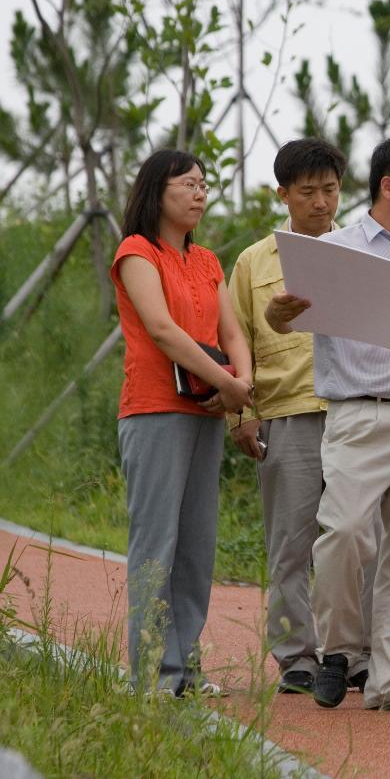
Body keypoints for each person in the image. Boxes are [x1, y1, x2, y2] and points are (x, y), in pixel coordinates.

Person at [265, 134, 390, 713]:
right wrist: (279, 315)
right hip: (358, 414)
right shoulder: (337, 250)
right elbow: (287, 319)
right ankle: (337, 650)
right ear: (389, 186)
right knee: (345, 534)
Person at [227, 138, 375, 696]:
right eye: (307, 192)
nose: (321, 203)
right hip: (287, 414)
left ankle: (357, 653)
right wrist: (241, 412)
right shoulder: (253, 262)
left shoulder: (362, 252)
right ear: (282, 194)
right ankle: (296, 656)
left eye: (330, 191)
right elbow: (234, 336)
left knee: (360, 538)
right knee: (291, 542)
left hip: (355, 411)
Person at [111, 149, 253, 696]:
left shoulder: (208, 261)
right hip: (154, 410)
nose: (199, 193)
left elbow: (233, 333)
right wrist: (226, 382)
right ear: (157, 190)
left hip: (206, 410)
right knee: (156, 543)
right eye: (187, 184)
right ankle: (149, 674)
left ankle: (185, 668)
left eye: (203, 184)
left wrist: (238, 383)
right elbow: (162, 329)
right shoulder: (136, 252)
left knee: (196, 547)